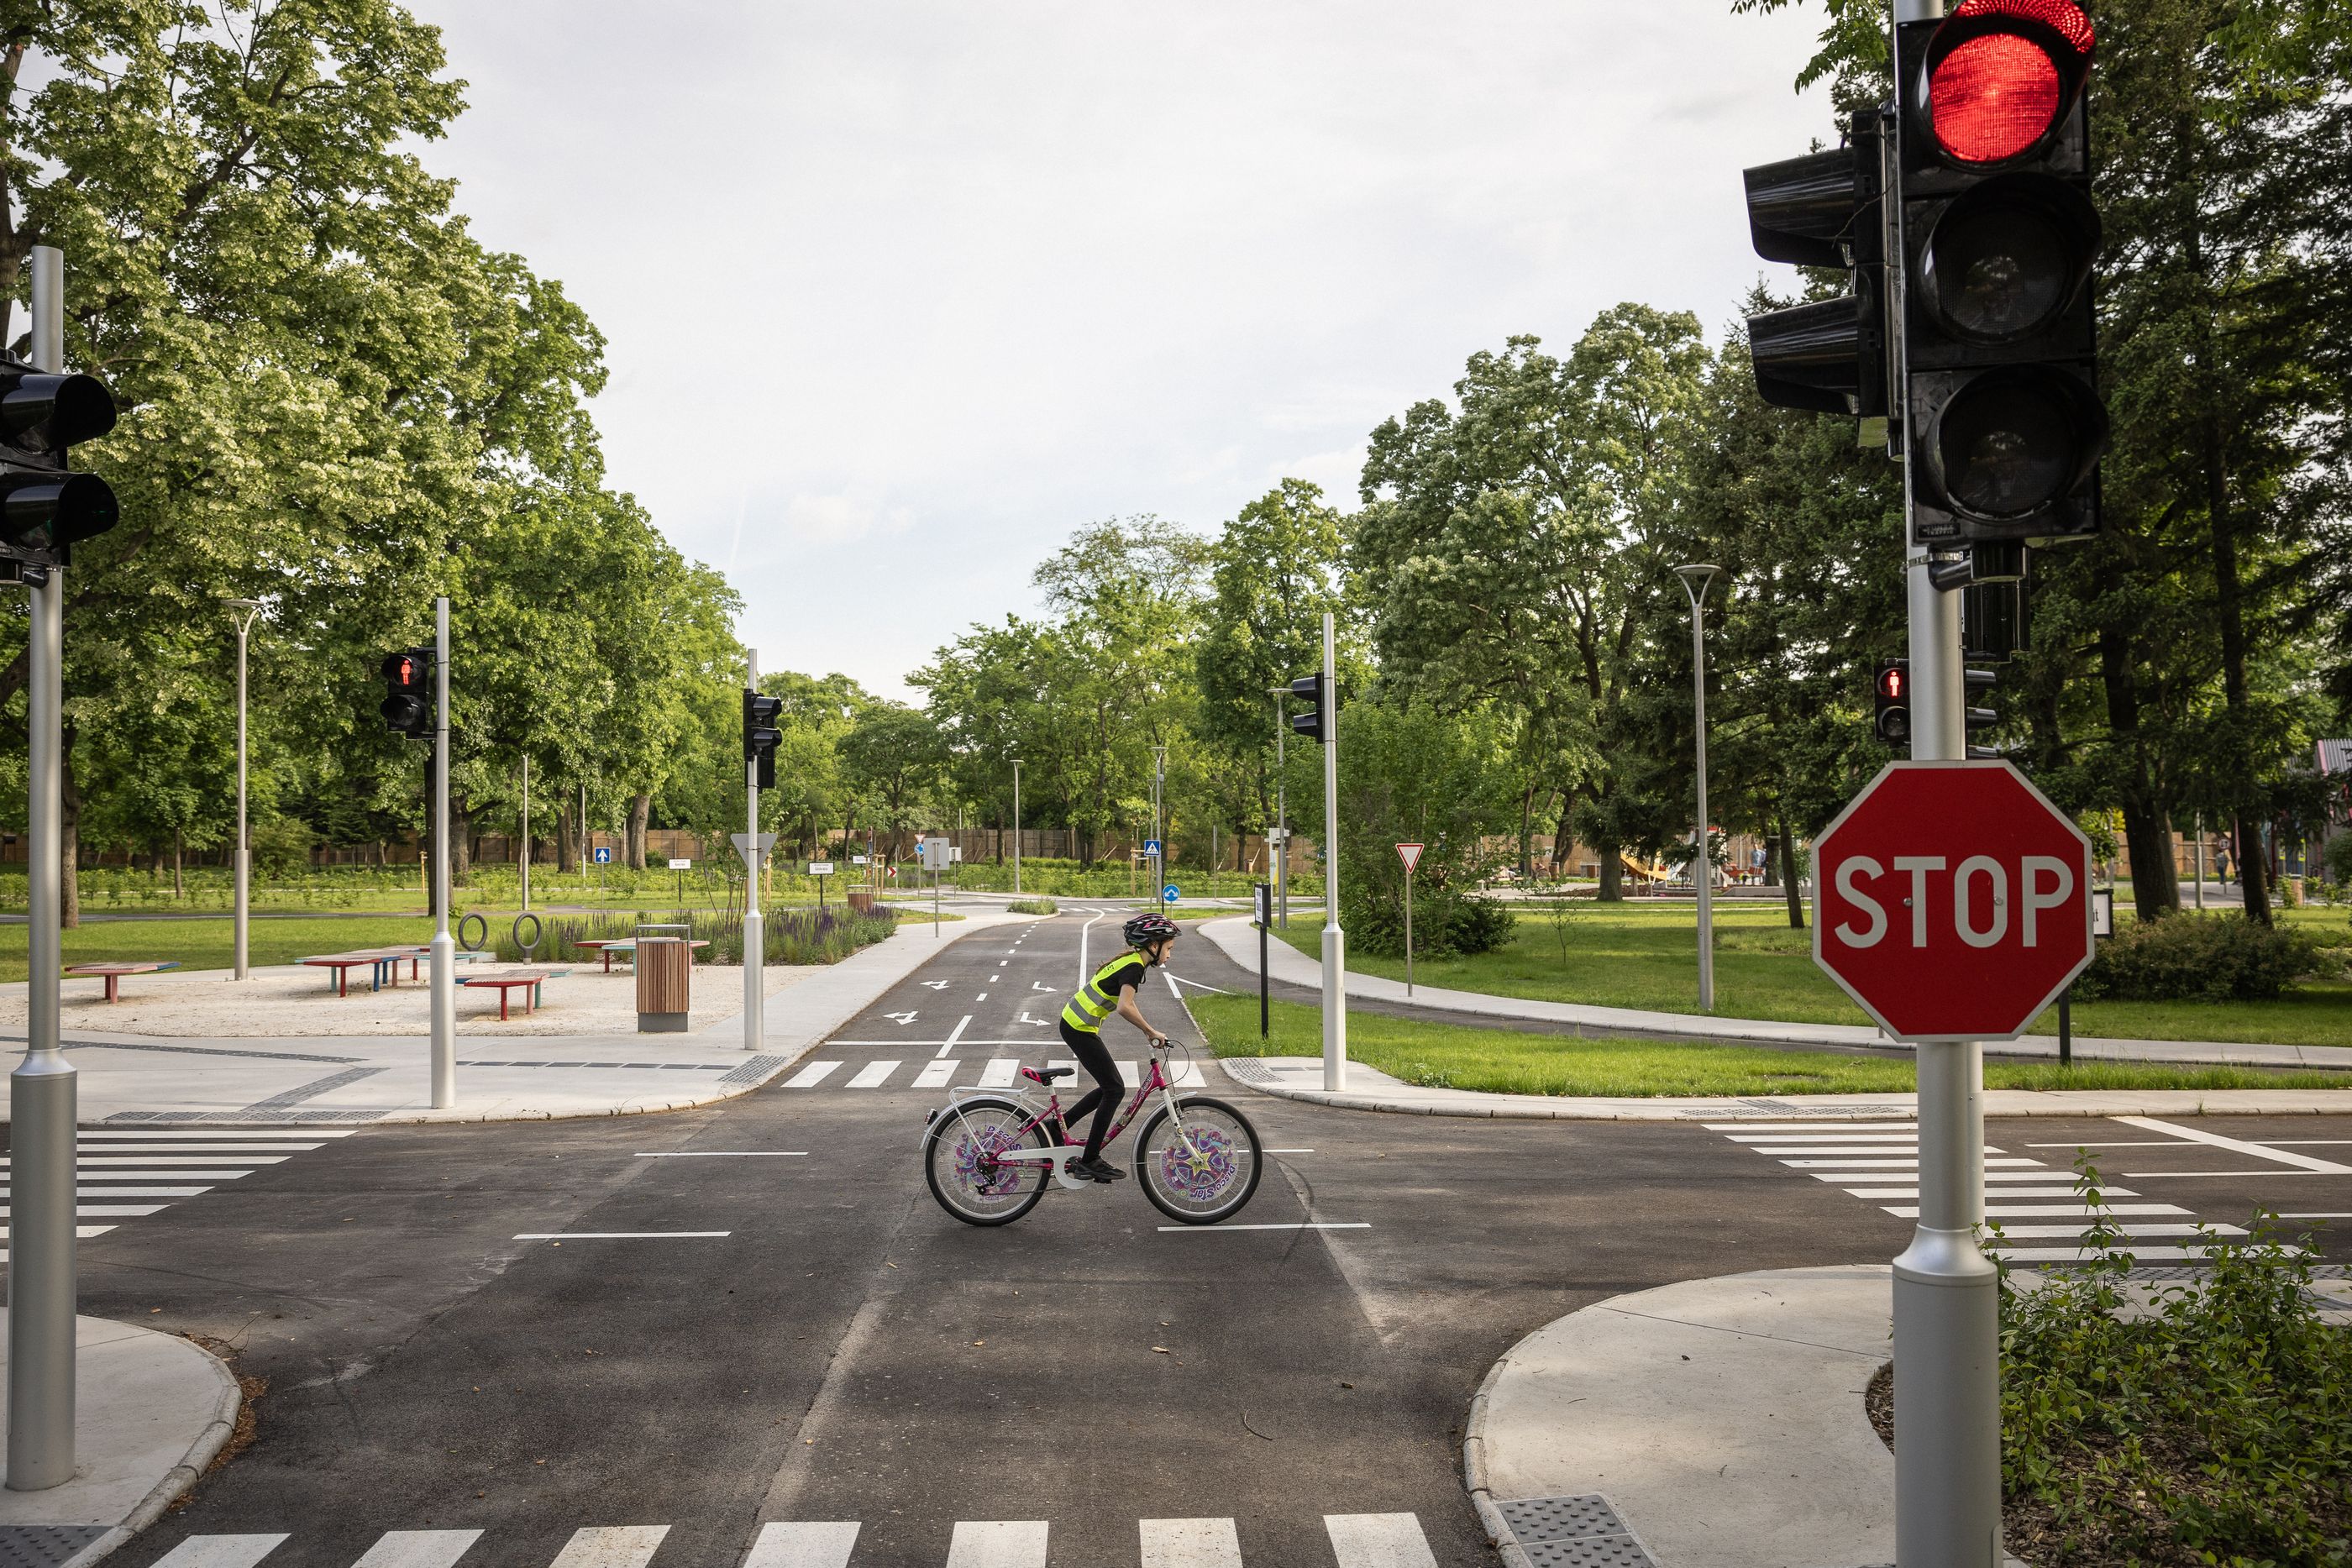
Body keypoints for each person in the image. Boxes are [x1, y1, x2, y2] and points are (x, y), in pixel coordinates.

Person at [1056, 912, 1179, 1183]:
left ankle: (1058, 1126)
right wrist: (1150, 1031)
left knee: (1109, 1087)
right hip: (1078, 1028)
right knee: (1114, 1089)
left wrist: (1148, 1031)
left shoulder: (1131, 961)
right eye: (1168, 948)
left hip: (1076, 1025)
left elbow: (1125, 1003)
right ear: (1154, 945)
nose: (1170, 955)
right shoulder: (1134, 967)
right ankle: (1089, 1160)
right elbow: (1125, 1006)